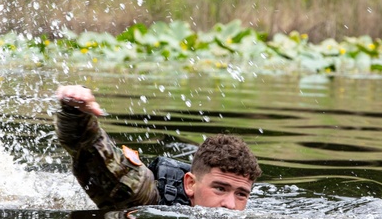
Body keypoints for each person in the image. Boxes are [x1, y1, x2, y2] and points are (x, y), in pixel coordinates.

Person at [55, 84, 261, 211]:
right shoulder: (147, 197)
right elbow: (95, 155)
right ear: (190, 184)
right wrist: (75, 113)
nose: (230, 205)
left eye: (241, 194)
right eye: (220, 188)